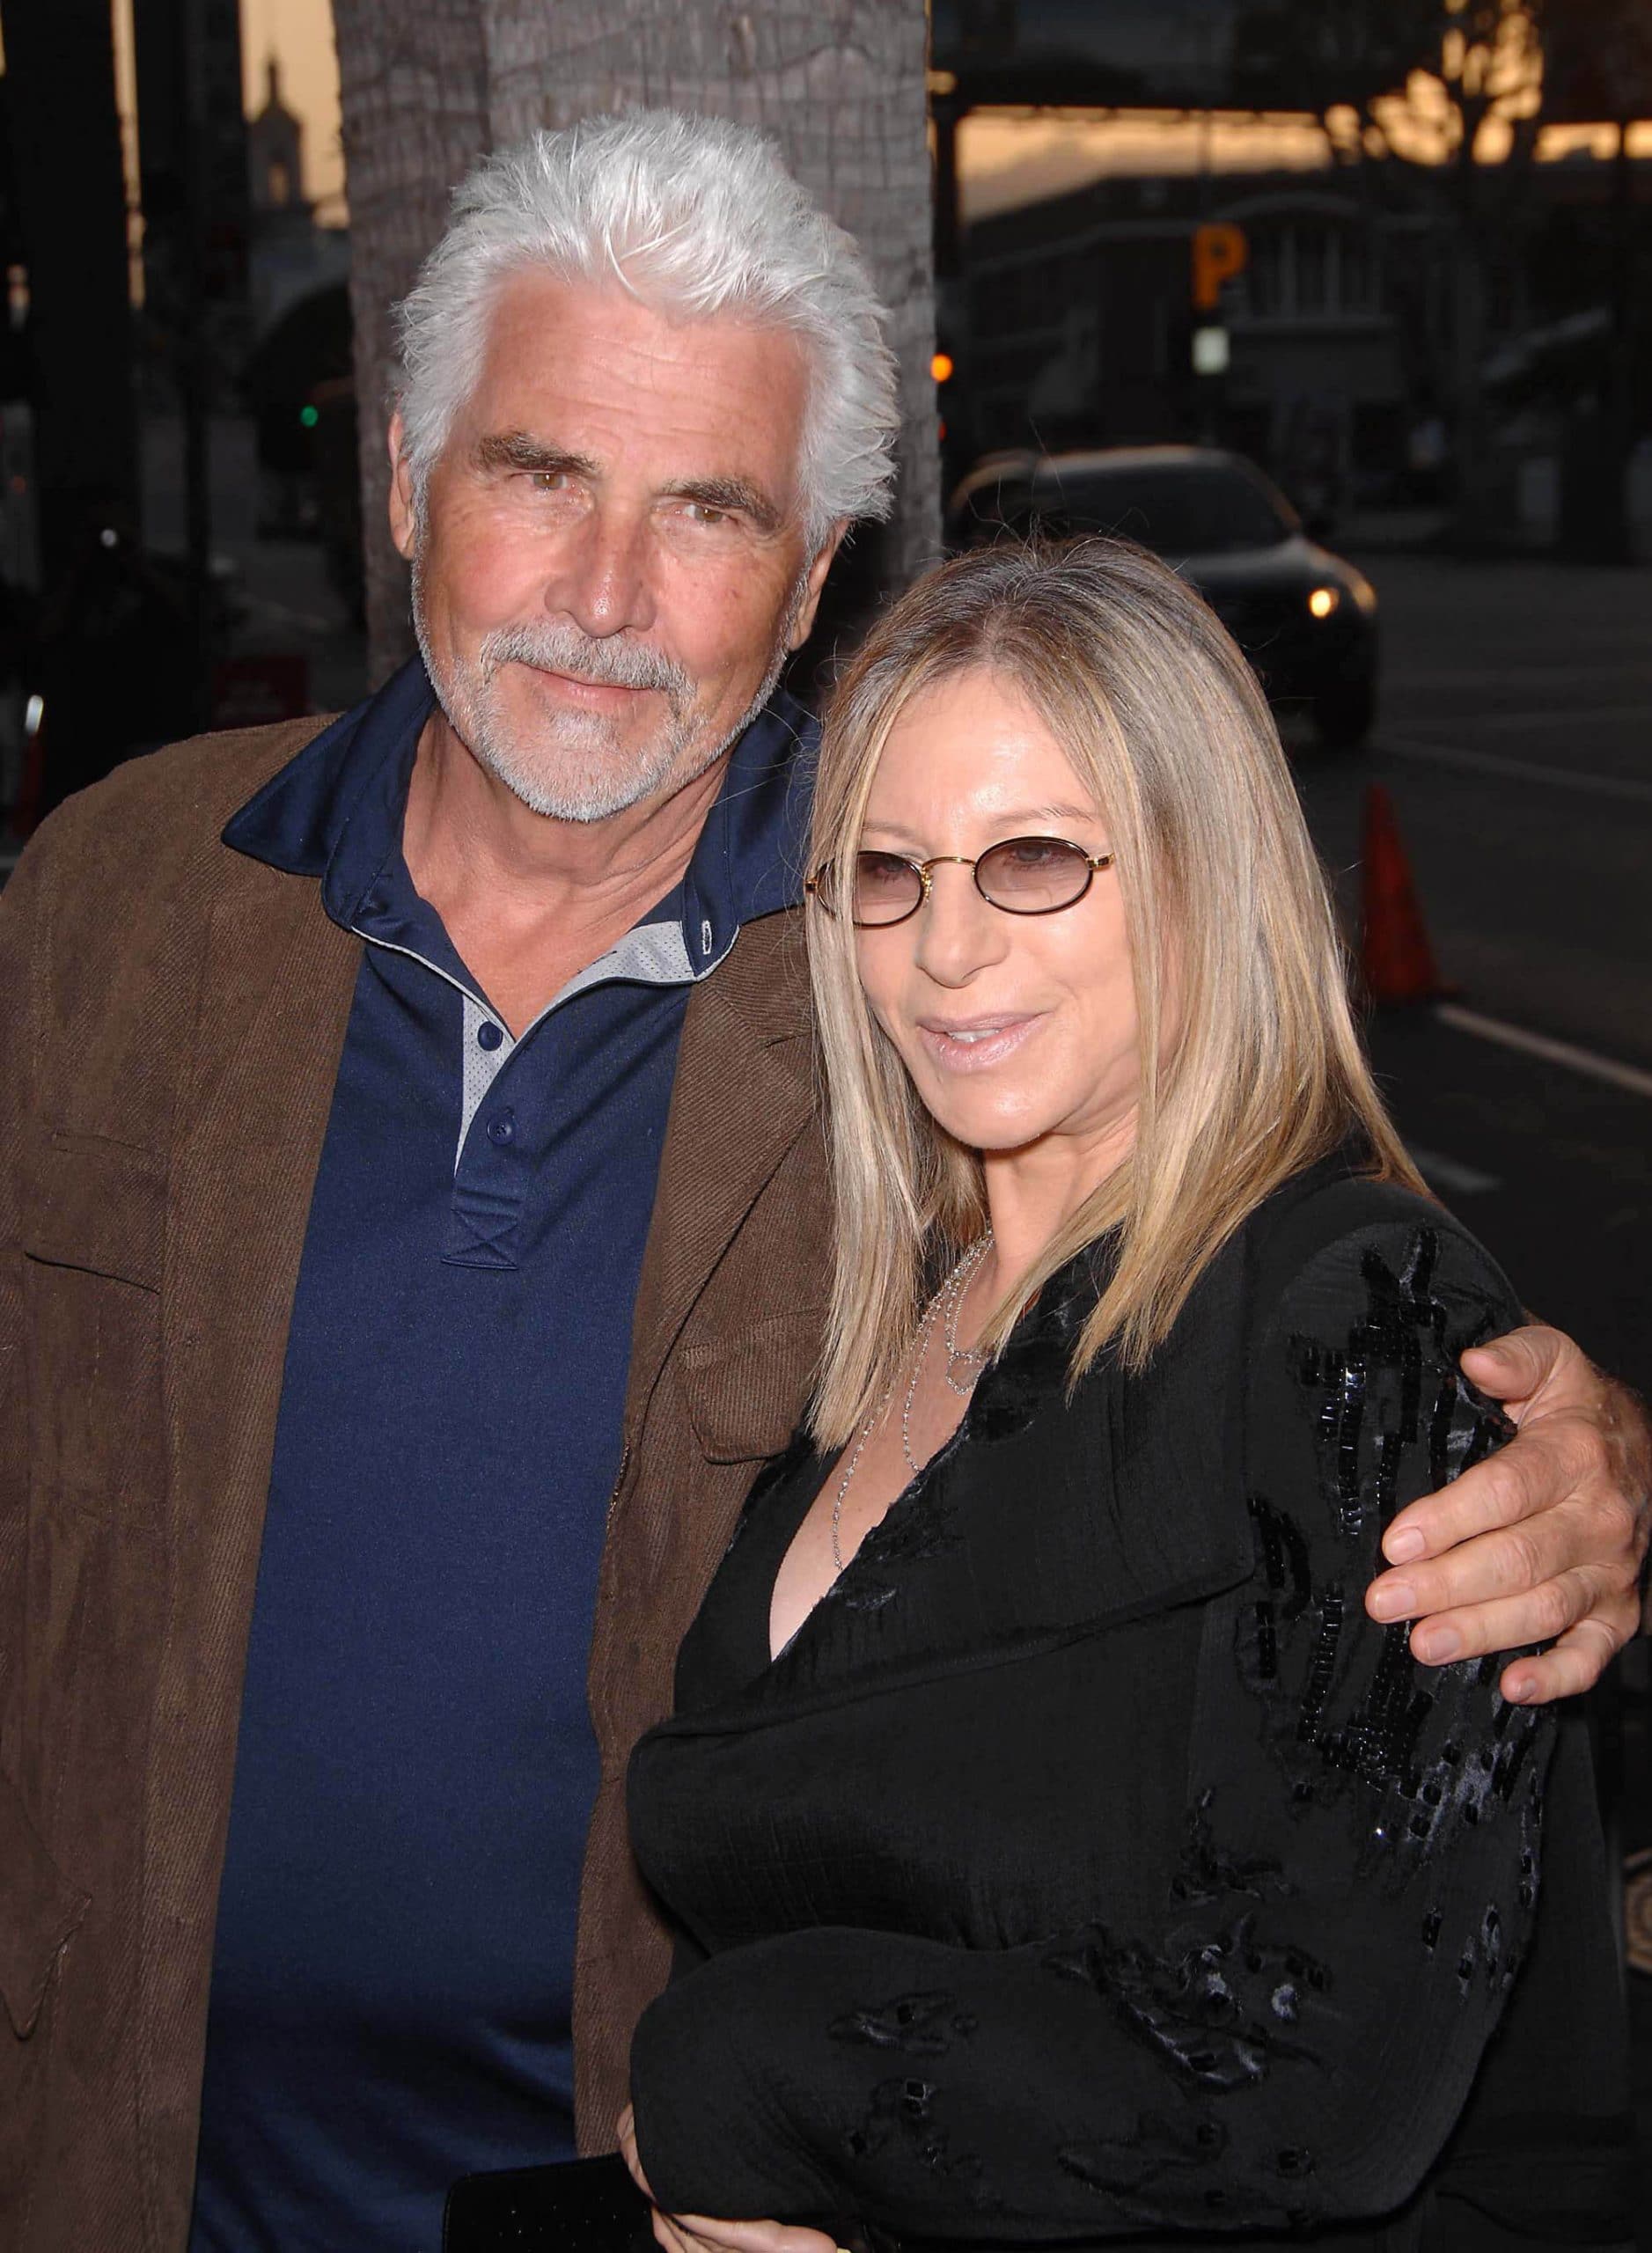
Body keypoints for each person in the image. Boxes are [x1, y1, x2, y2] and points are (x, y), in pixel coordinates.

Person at [0, 111, 1643, 2253]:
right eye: (540, 473)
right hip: (117, 2159)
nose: (606, 595)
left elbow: (1276, 1324)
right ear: (402, 470)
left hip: (660, 2186)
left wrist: (1586, 1455)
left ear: (815, 565)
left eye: (708, 506)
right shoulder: (118, 894)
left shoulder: (906, 1000)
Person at [620, 539, 1634, 2253]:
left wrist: (731, 2082)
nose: (943, 947)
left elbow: (1313, 2076)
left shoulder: (1350, 1315)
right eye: (885, 871)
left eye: (1033, 858)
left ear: (1200, 875)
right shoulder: (891, 1329)